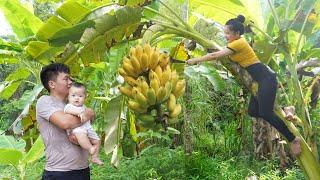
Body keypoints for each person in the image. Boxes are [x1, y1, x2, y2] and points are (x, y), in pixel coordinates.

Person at [186, 15, 301, 156]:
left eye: (228, 33)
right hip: (259, 80)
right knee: (253, 111)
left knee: (266, 112)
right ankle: (285, 109)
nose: (225, 35)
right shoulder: (236, 43)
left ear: (237, 34)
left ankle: (293, 139)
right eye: (225, 32)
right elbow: (220, 54)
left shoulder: (238, 43)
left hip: (266, 78)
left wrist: (195, 60)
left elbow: (214, 55)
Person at [36, 63, 94, 180]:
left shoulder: (72, 104)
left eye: (70, 78)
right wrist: (88, 113)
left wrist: (87, 114)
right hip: (59, 173)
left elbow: (86, 128)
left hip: (82, 170)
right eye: (66, 79)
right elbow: (65, 122)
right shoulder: (45, 101)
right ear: (52, 84)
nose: (70, 82)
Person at [64, 82, 103, 165]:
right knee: (81, 134)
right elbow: (69, 111)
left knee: (97, 141)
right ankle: (90, 148)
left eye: (80, 96)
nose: (77, 98)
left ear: (85, 98)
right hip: (76, 130)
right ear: (68, 97)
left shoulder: (84, 107)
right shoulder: (69, 106)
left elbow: (90, 115)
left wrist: (89, 115)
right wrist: (80, 113)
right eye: (73, 96)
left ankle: (95, 157)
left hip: (88, 129)